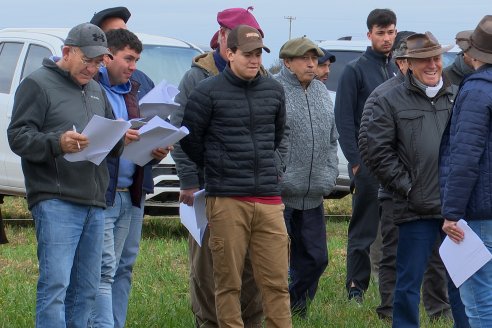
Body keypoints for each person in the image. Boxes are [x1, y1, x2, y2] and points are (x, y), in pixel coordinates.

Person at [7, 22, 120, 328]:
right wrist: (57, 143)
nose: (93, 69)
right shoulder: (37, 84)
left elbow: (108, 134)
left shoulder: (96, 90)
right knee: (56, 285)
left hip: (94, 201)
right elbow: (18, 137)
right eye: (88, 60)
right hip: (56, 199)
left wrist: (128, 138)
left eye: (98, 63)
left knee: (86, 288)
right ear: (68, 52)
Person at [180, 25, 292, 327]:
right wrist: (218, 165)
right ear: (229, 53)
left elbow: (278, 135)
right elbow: (190, 139)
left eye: (258, 54)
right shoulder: (207, 92)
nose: (254, 60)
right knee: (228, 283)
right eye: (248, 54)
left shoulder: (273, 90)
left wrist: (273, 165)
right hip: (227, 199)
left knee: (277, 283)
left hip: (268, 199)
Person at [359, 32, 470, 327]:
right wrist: (408, 187)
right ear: (408, 63)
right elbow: (376, 151)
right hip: (413, 209)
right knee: (407, 282)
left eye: (436, 58)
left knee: (460, 281)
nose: (433, 65)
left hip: (453, 209)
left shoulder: (457, 95)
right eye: (424, 60)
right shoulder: (388, 98)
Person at [170, 7, 265, 328]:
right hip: (209, 193)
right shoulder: (197, 78)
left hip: (254, 193)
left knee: (253, 272)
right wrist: (189, 181)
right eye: (238, 38)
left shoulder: (262, 77)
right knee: (209, 270)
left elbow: (278, 133)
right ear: (223, 38)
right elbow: (181, 131)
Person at [90, 29, 171, 327]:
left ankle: (115, 322)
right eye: (128, 58)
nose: (133, 66)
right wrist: (117, 136)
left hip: (132, 191)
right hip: (104, 193)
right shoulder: (92, 89)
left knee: (123, 268)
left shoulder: (134, 89)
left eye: (136, 59)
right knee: (103, 269)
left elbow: (140, 136)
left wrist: (157, 149)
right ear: (107, 57)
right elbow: (90, 136)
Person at [334, 8, 398, 302]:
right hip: (369, 165)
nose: (387, 38)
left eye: (391, 32)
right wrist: (356, 163)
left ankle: (393, 287)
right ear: (369, 34)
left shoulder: (398, 67)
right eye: (381, 33)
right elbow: (344, 119)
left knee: (395, 229)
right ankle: (356, 288)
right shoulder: (355, 70)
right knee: (364, 229)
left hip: (396, 165)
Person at [273, 37, 338, 317]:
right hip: (281, 193)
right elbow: (271, 139)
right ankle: (275, 310)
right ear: (287, 62)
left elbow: (332, 138)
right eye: (305, 59)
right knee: (275, 260)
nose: (313, 64)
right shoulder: (274, 90)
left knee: (317, 258)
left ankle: (296, 308)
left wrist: (330, 170)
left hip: (313, 193)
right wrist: (279, 174)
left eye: (315, 59)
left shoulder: (322, 92)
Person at [440, 15, 492, 327]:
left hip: (480, 212)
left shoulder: (476, 91)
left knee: (481, 304)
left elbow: (464, 157)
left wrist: (451, 212)